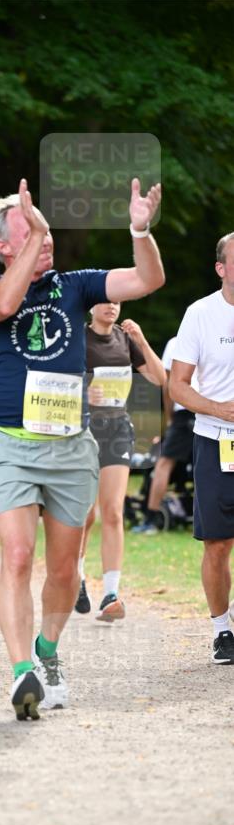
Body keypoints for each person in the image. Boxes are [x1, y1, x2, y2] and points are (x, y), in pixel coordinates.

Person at [0, 177, 164, 719]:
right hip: (11, 444)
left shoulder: (75, 285)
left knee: (62, 571)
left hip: (72, 446)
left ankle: (48, 653)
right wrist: (37, 234)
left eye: (46, 233)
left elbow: (148, 278)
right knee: (17, 556)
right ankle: (20, 671)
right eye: (30, 233)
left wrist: (140, 229)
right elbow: (7, 302)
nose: (46, 239)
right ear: (5, 246)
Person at [75, 306, 165, 619]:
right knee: (85, 514)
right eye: (104, 300)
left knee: (113, 510)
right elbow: (52, 383)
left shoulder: (125, 339)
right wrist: (85, 395)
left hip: (117, 429)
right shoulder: (77, 338)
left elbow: (159, 377)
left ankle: (111, 593)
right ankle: (78, 577)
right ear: (90, 305)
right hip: (82, 431)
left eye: (117, 301)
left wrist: (140, 337)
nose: (112, 306)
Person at [169, 231, 234, 664]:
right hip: (217, 440)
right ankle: (222, 631)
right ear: (221, 268)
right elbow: (177, 384)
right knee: (218, 543)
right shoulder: (201, 314)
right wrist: (218, 408)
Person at [132, 334, 196, 534]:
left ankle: (150, 519)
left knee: (163, 464)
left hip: (186, 411)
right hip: (216, 410)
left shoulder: (177, 342)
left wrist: (169, 418)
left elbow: (168, 384)